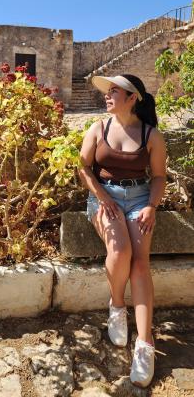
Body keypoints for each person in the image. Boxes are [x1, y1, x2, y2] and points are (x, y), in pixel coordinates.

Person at [78, 74, 166, 388]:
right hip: (104, 197)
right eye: (108, 90)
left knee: (141, 263)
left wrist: (151, 206)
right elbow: (83, 167)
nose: (108, 94)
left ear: (133, 98)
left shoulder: (151, 135)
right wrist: (101, 196)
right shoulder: (97, 129)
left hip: (140, 198)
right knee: (120, 251)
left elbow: (158, 177)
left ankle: (145, 344)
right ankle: (117, 305)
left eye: (115, 90)